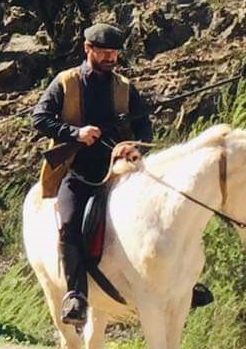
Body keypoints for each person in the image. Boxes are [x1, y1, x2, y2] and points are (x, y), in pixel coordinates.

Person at [29, 23, 154, 326]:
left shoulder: (124, 86)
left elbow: (144, 126)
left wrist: (133, 147)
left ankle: (177, 285)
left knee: (157, 213)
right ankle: (75, 295)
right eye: (104, 52)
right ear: (88, 49)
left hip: (120, 171)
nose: (111, 57)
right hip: (77, 171)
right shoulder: (66, 82)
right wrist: (75, 133)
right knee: (69, 224)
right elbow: (39, 119)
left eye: (114, 52)